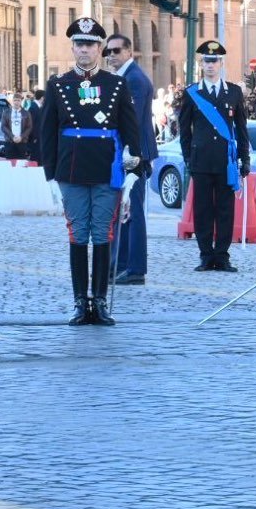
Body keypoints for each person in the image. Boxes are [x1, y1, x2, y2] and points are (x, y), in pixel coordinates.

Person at [38, 17, 142, 326]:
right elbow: (47, 132)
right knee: (78, 234)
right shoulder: (59, 85)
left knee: (102, 233)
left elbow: (130, 129)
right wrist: (50, 175)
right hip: (70, 169)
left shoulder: (116, 84)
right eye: (79, 44)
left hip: (105, 167)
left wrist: (133, 165)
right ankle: (80, 302)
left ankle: (99, 300)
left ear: (100, 49)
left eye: (91, 45)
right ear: (72, 47)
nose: (85, 50)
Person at [178, 39, 250, 273]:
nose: (210, 65)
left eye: (214, 61)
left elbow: (241, 129)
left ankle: (222, 255)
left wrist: (244, 159)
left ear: (221, 63)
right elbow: (184, 130)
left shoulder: (234, 92)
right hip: (201, 161)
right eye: (206, 61)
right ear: (201, 64)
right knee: (203, 210)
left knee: (225, 210)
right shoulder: (192, 93)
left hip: (225, 162)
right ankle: (206, 255)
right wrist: (188, 157)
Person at [105, 34, 156, 285]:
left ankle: (136, 268)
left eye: (116, 51)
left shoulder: (133, 79)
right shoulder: (124, 77)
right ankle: (121, 264)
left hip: (134, 153)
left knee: (133, 211)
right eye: (108, 52)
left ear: (129, 52)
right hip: (126, 152)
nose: (111, 55)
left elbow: (132, 120)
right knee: (124, 211)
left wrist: (129, 152)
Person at [0, 90, 38, 160]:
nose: (16, 102)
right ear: (12, 101)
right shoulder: (6, 112)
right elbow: (3, 126)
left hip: (22, 143)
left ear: (21, 101)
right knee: (9, 164)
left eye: (18, 100)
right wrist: (12, 137)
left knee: (21, 164)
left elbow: (29, 127)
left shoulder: (26, 113)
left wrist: (21, 137)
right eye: (15, 100)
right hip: (10, 142)